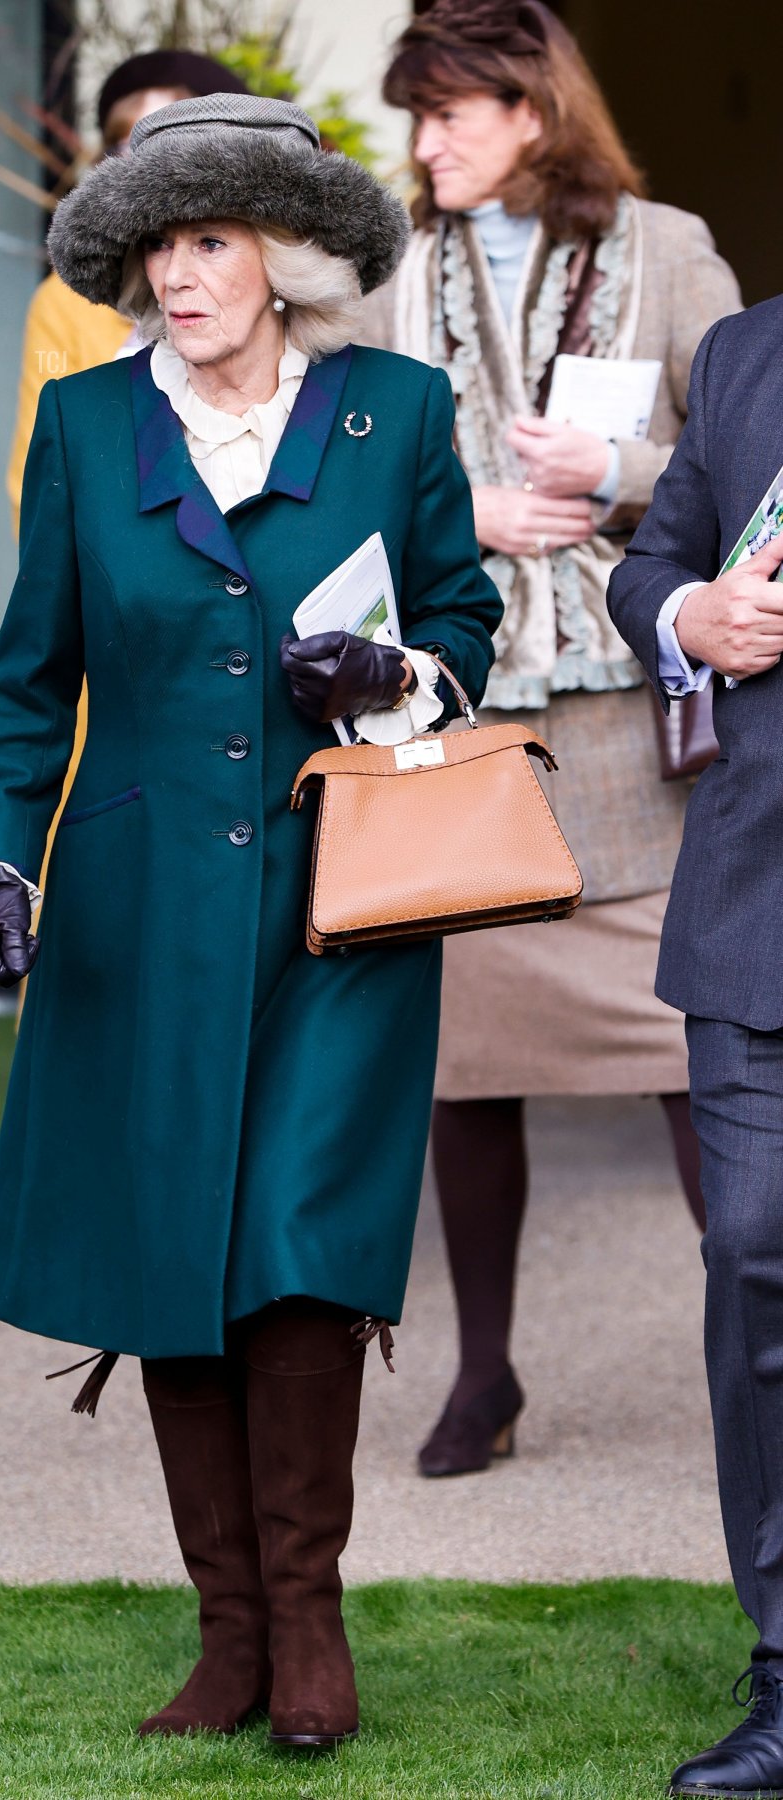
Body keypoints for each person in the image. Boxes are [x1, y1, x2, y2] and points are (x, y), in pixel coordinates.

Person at [0, 94, 502, 1750]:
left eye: (209, 241)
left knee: (299, 1245)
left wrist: (400, 672)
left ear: (288, 255)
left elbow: (464, 616)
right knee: (173, 1241)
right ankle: (231, 1639)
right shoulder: (85, 425)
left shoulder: (397, 413)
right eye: (155, 249)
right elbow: (30, 680)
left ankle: (311, 1621)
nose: (176, 277)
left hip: (344, 902)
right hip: (139, 916)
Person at [358, 0, 741, 1478]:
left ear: (533, 111)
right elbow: (339, 460)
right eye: (416, 116)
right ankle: (485, 1376)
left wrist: (619, 468)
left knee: (696, 1058)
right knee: (471, 1069)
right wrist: (467, 511)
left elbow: (749, 452)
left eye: (448, 112)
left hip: (636, 733)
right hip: (462, 721)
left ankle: (759, 1365)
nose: (424, 144)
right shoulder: (386, 268)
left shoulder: (671, 248)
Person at [608, 295, 783, 1797]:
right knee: (754, 1260)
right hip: (757, 913)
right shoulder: (743, 354)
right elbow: (649, 563)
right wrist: (690, 619)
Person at [5, 49, 249, 533]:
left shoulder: (280, 285)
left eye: (168, 142)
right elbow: (39, 478)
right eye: (125, 145)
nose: (143, 164)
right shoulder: (66, 301)